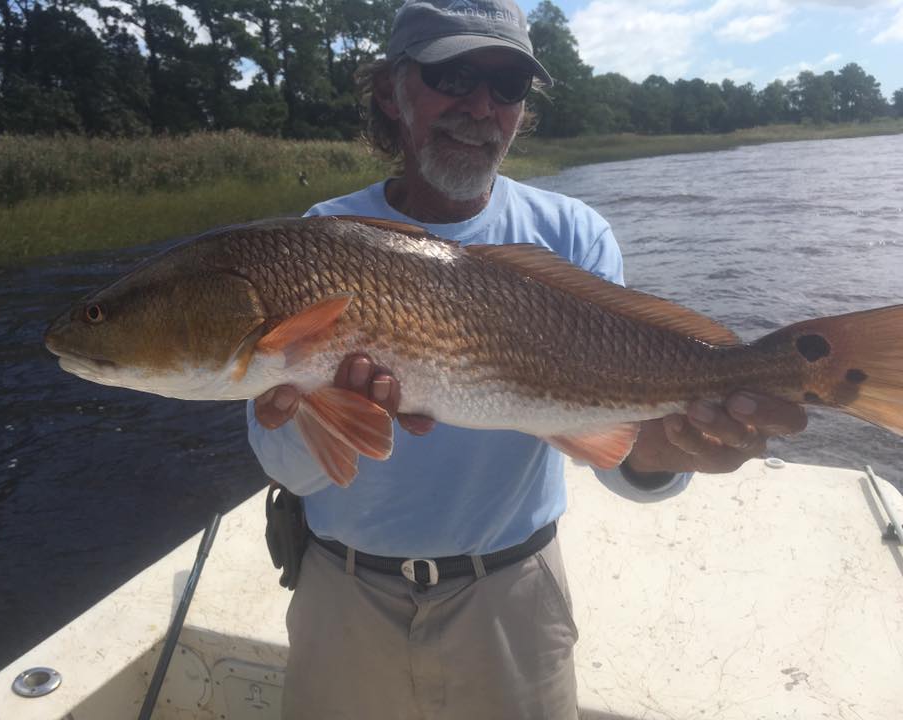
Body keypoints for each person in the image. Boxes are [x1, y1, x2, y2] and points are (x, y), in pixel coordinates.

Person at [247, 1, 808, 717]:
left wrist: (666, 452)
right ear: (391, 91)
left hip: (512, 594)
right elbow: (279, 462)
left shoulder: (574, 235)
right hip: (342, 592)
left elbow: (619, 447)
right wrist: (325, 415)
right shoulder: (319, 237)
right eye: (454, 75)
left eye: (508, 86)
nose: (482, 105)